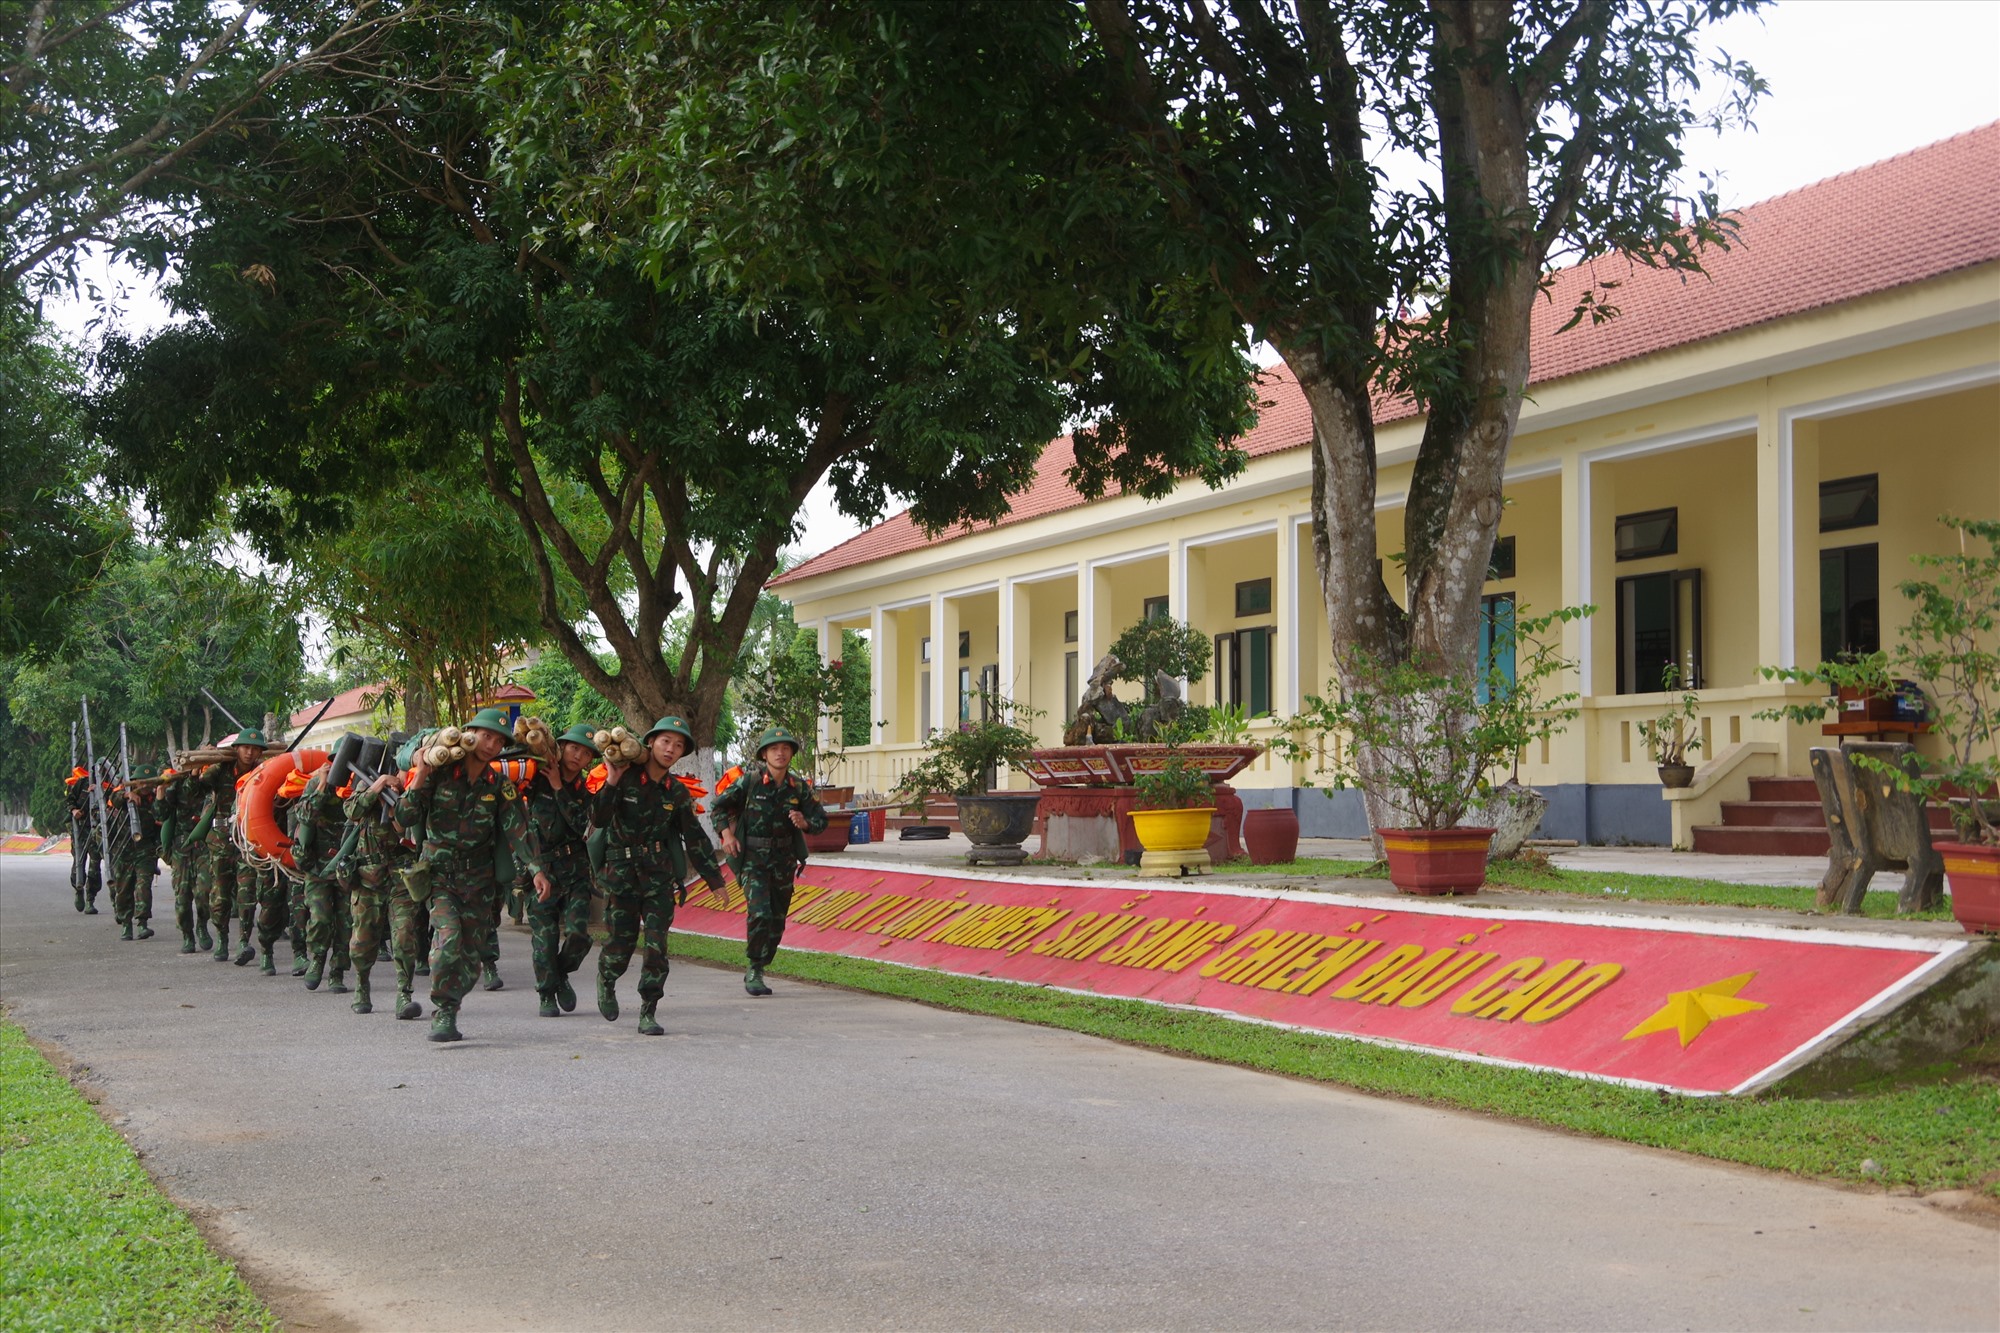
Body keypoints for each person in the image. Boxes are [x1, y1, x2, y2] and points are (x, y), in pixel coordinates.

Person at [394, 708, 548, 1043]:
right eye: (486, 735)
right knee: (448, 942)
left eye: (498, 739)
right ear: (470, 733)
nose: (491, 743)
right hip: (440, 877)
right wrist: (421, 771)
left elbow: (517, 829)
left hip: (479, 879)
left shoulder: (500, 785)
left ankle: (452, 1000)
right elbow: (405, 814)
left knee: (472, 954)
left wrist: (535, 869)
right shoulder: (440, 772)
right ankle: (444, 1012)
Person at [592, 715, 728, 1035]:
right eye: (666, 741)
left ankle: (648, 1009)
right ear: (650, 742)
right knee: (620, 945)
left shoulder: (676, 792)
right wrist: (612, 780)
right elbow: (598, 817)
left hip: (658, 877)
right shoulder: (623, 777)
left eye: (678, 745)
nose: (671, 749)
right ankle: (607, 978)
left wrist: (715, 880)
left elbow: (694, 837)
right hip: (621, 875)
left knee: (657, 946)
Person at [712, 726, 827, 997]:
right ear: (764, 753)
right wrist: (726, 834)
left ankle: (763, 963)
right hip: (753, 859)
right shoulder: (749, 782)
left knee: (777, 920)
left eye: (785, 748)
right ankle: (754, 967)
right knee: (760, 913)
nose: (780, 753)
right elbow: (718, 806)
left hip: (784, 861)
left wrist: (805, 822)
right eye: (774, 749)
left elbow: (821, 820)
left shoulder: (798, 787)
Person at [524, 724, 601, 1018]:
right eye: (574, 748)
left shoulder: (587, 794)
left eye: (585, 753)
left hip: (575, 873)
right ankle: (546, 993)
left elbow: (585, 828)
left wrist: (559, 788)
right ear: (562, 746)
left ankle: (560, 973)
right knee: (544, 941)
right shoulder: (535, 781)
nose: (578, 755)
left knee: (579, 935)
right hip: (541, 870)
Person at [347, 761, 424, 1020]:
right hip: (368, 879)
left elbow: (410, 829)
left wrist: (398, 806)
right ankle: (362, 985)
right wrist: (377, 787)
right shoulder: (367, 784)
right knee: (363, 939)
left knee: (403, 936)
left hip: (400, 878)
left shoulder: (414, 792)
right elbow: (351, 810)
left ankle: (404, 993)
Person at [194, 729, 269, 963]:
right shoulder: (221, 770)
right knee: (220, 895)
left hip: (247, 840)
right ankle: (222, 938)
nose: (250, 752)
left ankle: (244, 941)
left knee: (247, 894)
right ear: (236, 749)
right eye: (246, 747)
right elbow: (198, 790)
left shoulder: (262, 772)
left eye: (255, 748)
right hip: (221, 840)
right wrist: (198, 767)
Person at [287, 766, 352, 993]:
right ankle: (318, 957)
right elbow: (303, 815)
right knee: (320, 918)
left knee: (346, 923)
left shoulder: (357, 786)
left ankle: (338, 972)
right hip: (318, 867)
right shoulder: (316, 785)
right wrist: (323, 786)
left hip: (347, 867)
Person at [105, 779, 161, 940]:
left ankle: (142, 923)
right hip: (124, 851)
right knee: (123, 889)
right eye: (141, 783)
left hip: (145, 851)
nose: (144, 787)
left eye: (147, 784)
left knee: (143, 886)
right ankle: (126, 925)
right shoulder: (125, 798)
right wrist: (126, 795)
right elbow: (114, 798)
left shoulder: (153, 799)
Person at [64, 765, 102, 913]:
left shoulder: (107, 785)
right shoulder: (82, 782)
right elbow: (69, 799)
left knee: (95, 863)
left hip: (97, 830)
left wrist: (100, 791)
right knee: (79, 861)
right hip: (80, 828)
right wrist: (74, 810)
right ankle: (78, 888)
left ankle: (90, 899)